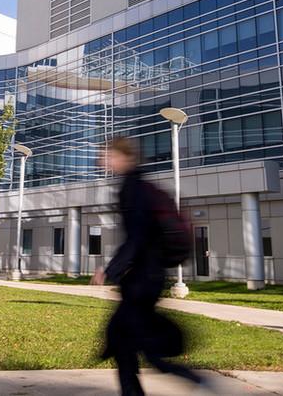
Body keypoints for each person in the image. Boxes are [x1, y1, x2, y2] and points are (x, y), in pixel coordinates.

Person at [90, 137, 204, 395]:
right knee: (125, 338)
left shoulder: (133, 189)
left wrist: (110, 271)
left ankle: (191, 377)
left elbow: (137, 237)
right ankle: (176, 376)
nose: (103, 160)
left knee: (129, 337)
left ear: (125, 157)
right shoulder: (137, 186)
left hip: (143, 278)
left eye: (108, 155)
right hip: (148, 275)